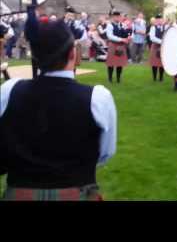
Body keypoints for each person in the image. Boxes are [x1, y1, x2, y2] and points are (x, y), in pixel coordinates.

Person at [0, 20, 117, 200]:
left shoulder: (9, 90)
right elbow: (104, 154)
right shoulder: (98, 98)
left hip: (20, 192)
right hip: (77, 191)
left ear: (35, 55)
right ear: (72, 53)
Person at [106, 11, 130, 83]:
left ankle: (118, 79)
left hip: (121, 45)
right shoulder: (109, 25)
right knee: (111, 63)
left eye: (118, 16)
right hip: (113, 44)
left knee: (120, 63)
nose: (117, 18)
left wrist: (128, 36)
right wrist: (121, 39)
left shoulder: (122, 25)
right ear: (113, 17)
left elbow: (127, 33)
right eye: (115, 16)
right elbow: (110, 36)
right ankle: (110, 78)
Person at [149, 14, 165, 82]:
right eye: (158, 19)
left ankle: (161, 78)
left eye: (160, 18)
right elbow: (152, 38)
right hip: (155, 46)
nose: (159, 20)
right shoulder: (153, 27)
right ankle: (154, 78)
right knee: (154, 63)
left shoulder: (165, 27)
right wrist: (162, 41)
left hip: (163, 47)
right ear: (156, 20)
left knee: (162, 63)